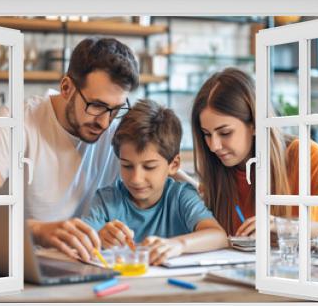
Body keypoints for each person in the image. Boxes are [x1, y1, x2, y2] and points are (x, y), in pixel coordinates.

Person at [0, 37, 140, 262]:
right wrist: (39, 231)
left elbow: (167, 180)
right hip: (18, 263)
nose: (104, 123)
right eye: (96, 106)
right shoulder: (14, 122)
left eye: (115, 109)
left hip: (87, 264)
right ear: (66, 88)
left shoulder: (117, 134)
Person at [191, 68, 318, 237]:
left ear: (255, 124)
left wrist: (283, 225)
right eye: (207, 134)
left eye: (225, 133)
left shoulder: (305, 155)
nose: (214, 146)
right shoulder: (215, 170)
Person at [81, 99, 228, 265]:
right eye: (127, 165)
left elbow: (219, 236)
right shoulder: (105, 200)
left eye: (149, 167)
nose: (136, 179)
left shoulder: (181, 196)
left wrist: (178, 244)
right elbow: (80, 242)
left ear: (173, 165)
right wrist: (99, 237)